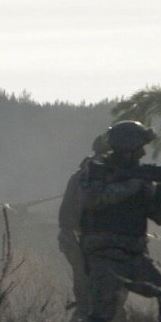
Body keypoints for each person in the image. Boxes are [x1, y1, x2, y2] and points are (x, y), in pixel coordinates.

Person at [58, 120, 161, 322]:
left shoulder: (139, 177)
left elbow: (160, 216)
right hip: (106, 256)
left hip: (134, 255)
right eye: (138, 147)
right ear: (125, 148)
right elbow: (93, 199)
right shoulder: (95, 171)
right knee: (98, 320)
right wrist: (134, 185)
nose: (142, 152)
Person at [57, 132, 110, 309]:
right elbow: (66, 219)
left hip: (88, 243)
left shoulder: (84, 176)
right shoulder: (85, 177)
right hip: (81, 242)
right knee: (90, 294)